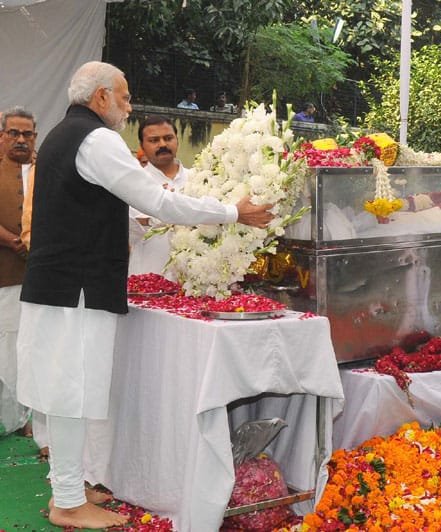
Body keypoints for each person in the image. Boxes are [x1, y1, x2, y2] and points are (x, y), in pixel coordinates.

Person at [16, 61, 273, 529]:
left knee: (64, 391)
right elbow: (158, 200)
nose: (130, 107)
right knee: (70, 392)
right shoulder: (96, 140)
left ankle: (70, 487)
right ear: (100, 98)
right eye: (125, 97)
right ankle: (69, 502)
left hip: (60, 285)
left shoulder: (62, 134)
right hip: (74, 288)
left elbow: (102, 209)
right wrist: (231, 213)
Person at [0, 107, 36, 439]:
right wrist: (13, 240)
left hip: (41, 277)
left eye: (28, 134)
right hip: (5, 274)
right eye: (14, 133)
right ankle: (11, 417)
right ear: (2, 135)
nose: (22, 140)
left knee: (33, 346)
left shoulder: (46, 169)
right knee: (7, 345)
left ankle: (29, 418)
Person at [129, 115, 189, 275]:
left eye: (168, 138)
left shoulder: (199, 178)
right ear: (142, 145)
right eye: (154, 140)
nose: (162, 144)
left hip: (194, 281)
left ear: (177, 139)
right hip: (148, 279)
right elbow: (133, 225)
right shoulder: (132, 183)